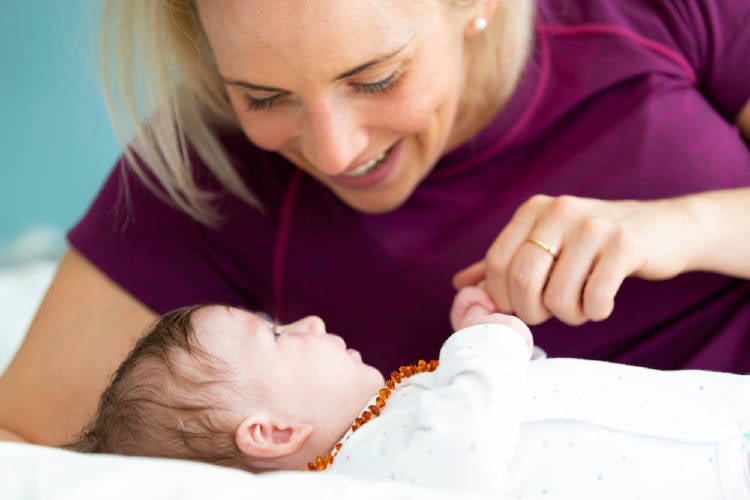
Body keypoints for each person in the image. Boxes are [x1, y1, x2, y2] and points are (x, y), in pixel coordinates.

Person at [1, 0, 750, 445]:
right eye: (263, 97)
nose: (334, 150)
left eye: (377, 78)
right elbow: (24, 446)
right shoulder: (209, 171)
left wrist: (682, 229)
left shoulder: (645, 15)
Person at [66, 289, 750, 499]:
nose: (306, 321)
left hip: (716, 415)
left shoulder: (398, 414)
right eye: (274, 336)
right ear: (272, 432)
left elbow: (508, 410)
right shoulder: (373, 474)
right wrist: (484, 342)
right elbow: (462, 471)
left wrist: (500, 350)